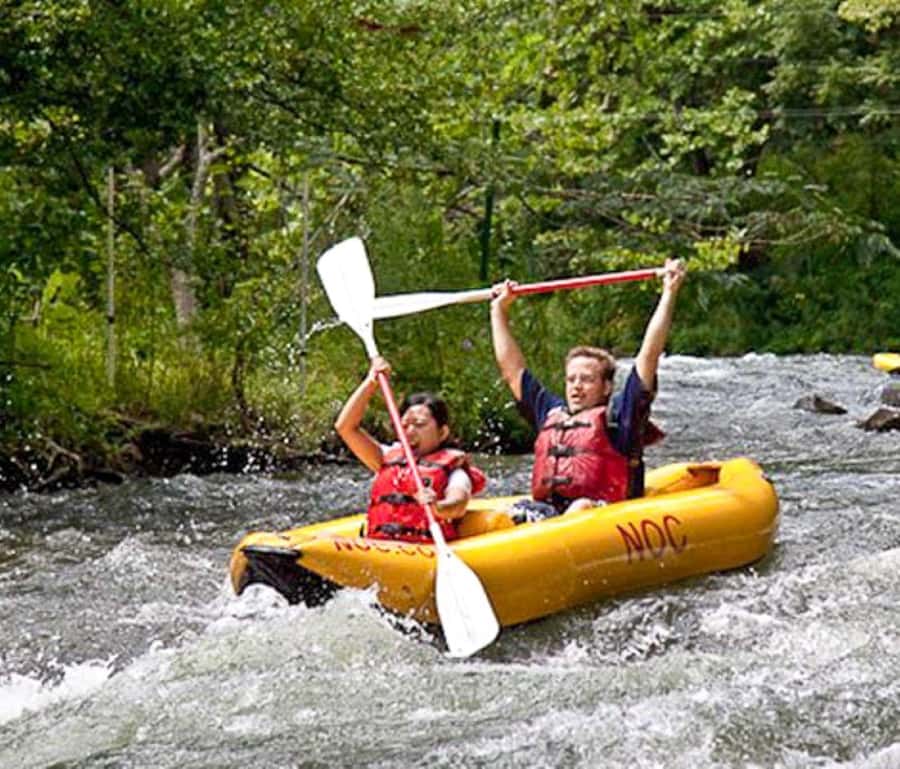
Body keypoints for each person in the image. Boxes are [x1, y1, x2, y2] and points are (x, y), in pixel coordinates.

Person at [490, 259, 687, 519]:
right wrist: (498, 311)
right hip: (551, 512)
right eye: (571, 379)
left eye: (586, 379)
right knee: (505, 514)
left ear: (606, 386)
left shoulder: (621, 416)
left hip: (600, 515)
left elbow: (648, 355)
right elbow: (512, 370)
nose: (576, 387)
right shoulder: (550, 412)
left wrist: (669, 292)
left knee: (581, 507)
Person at [334, 356, 486, 542]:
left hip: (425, 549)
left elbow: (458, 504)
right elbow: (345, 427)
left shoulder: (454, 471)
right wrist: (371, 382)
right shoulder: (384, 457)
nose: (410, 432)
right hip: (382, 544)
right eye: (404, 425)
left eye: (420, 425)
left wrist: (438, 507)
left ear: (442, 432)